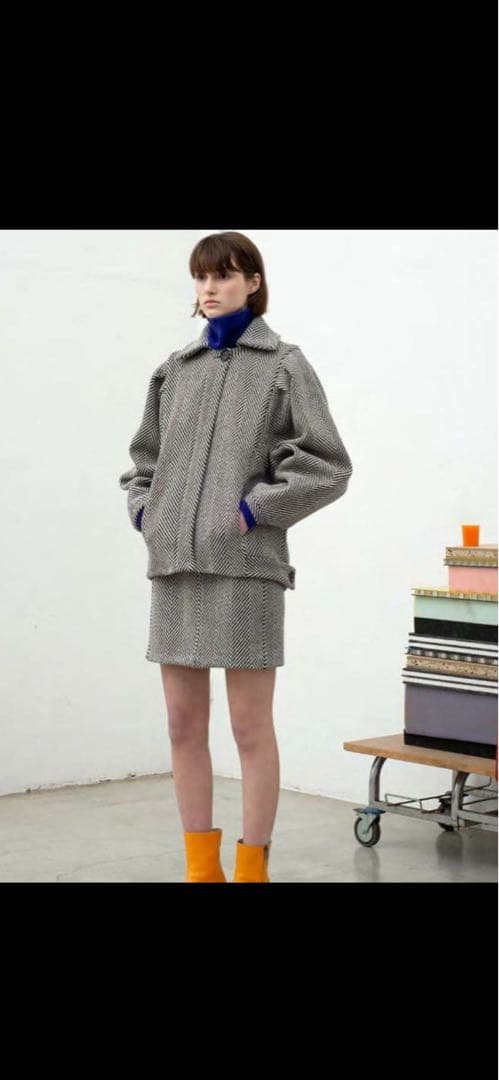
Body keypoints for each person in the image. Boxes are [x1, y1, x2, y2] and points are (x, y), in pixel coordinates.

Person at [119, 231, 353, 882]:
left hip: (247, 569)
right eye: (201, 277)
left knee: (250, 728)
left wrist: (255, 511)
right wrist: (147, 512)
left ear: (253, 282)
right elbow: (142, 463)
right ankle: (202, 869)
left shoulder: (283, 366)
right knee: (181, 725)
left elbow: (327, 465)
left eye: (223, 275)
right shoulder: (175, 371)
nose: (210, 288)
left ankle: (252, 867)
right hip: (176, 569)